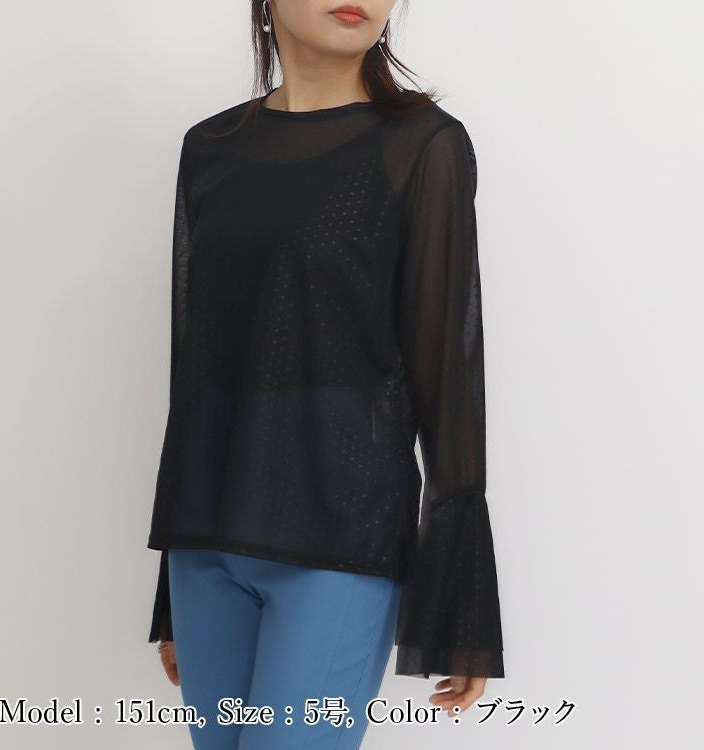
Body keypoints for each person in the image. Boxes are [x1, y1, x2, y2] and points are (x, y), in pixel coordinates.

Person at [146, 2, 505, 748]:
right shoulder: (210, 147)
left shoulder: (421, 145)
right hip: (206, 542)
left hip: (340, 536)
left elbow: (448, 373)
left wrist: (461, 602)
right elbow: (198, 369)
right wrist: (171, 594)